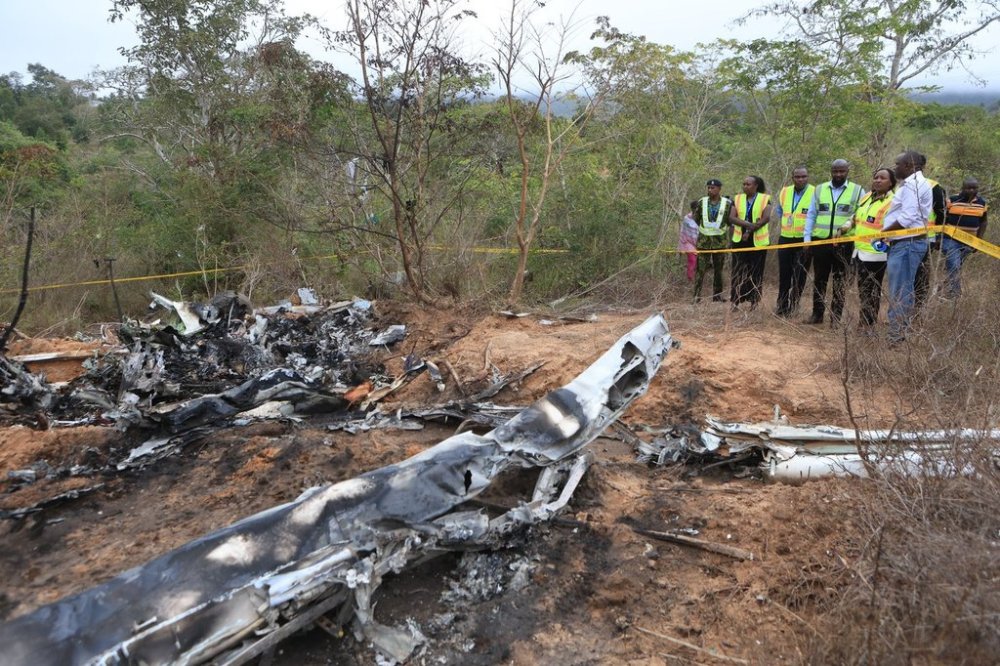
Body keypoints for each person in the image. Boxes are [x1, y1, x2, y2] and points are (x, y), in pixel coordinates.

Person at [834, 167, 896, 332]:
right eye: (876, 177)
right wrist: (844, 228)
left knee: (872, 290)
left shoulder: (893, 202)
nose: (877, 180)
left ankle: (867, 326)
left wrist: (881, 247)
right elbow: (855, 217)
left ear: (891, 183)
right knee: (863, 290)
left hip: (876, 254)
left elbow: (893, 229)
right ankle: (864, 322)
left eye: (882, 178)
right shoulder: (867, 196)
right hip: (859, 251)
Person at [803, 159, 865, 327]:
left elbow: (860, 215)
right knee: (819, 279)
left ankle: (835, 319)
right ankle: (817, 315)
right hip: (820, 241)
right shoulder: (820, 189)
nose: (838, 174)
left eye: (842, 171)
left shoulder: (858, 191)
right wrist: (807, 239)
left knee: (840, 280)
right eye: (835, 171)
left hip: (844, 243)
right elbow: (811, 215)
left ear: (847, 171)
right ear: (831, 171)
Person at [883, 150, 932, 345]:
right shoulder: (910, 185)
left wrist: (885, 233)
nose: (895, 168)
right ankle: (899, 332)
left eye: (898, 164)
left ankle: (896, 336)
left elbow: (907, 218)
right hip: (904, 244)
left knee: (900, 290)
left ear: (910, 166)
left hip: (908, 244)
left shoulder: (915, 186)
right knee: (903, 289)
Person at [774, 166, 815, 317]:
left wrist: (808, 239)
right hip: (785, 238)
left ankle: (794, 305)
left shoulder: (814, 192)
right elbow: (780, 211)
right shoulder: (785, 191)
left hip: (804, 240)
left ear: (807, 177)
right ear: (793, 178)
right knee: (784, 274)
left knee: (799, 276)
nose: (801, 179)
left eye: (804, 176)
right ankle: (782, 305)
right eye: (797, 177)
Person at [728, 175, 772, 309]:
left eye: (748, 184)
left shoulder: (765, 199)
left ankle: (754, 301)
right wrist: (748, 225)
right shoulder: (737, 198)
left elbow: (765, 218)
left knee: (756, 272)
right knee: (737, 271)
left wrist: (751, 230)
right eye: (744, 184)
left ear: (756, 186)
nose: (745, 186)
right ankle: (735, 301)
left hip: (758, 242)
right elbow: (731, 217)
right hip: (739, 241)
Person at [941, 177, 989, 297]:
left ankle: (943, 287)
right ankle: (955, 294)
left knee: (956, 266)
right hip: (951, 239)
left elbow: (983, 222)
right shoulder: (952, 200)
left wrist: (978, 241)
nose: (972, 190)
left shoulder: (982, 203)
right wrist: (938, 238)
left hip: (969, 241)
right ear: (962, 188)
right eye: (969, 188)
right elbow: (942, 219)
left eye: (975, 188)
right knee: (954, 264)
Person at [913, 154, 946, 312]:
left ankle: (918, 308)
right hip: (902, 239)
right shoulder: (901, 186)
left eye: (916, 165)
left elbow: (941, 214)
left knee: (920, 274)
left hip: (926, 239)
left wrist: (939, 236)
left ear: (922, 167)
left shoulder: (933, 186)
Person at [692, 179, 733, 302]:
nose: (710, 190)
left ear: (719, 189)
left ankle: (717, 295)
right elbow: (696, 219)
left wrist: (730, 241)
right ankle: (696, 296)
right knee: (700, 270)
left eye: (713, 188)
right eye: (708, 188)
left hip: (720, 242)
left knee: (718, 270)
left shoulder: (727, 203)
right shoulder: (701, 202)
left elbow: (730, 221)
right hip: (703, 243)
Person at [679, 201, 700, 282]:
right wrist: (681, 245)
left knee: (699, 262)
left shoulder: (704, 218)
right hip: (688, 242)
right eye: (695, 208)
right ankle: (690, 278)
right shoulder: (687, 218)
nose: (697, 210)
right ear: (692, 209)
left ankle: (697, 279)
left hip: (700, 243)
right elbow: (683, 231)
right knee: (692, 260)